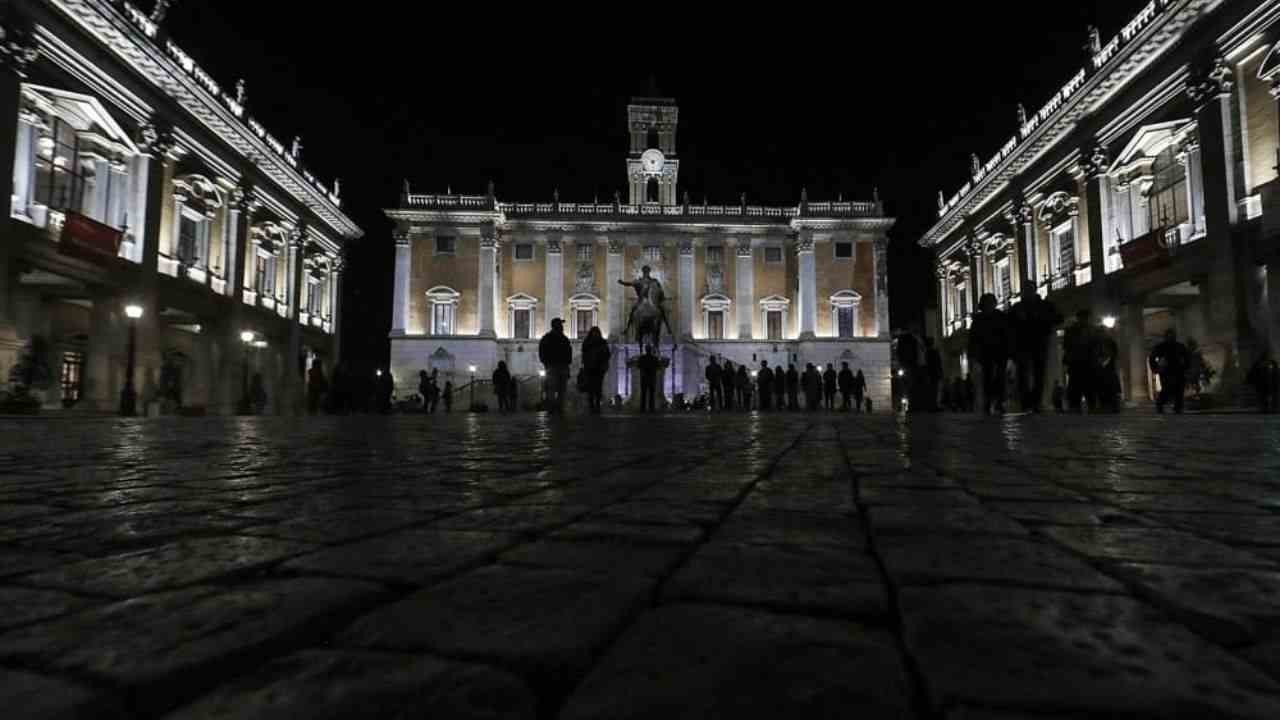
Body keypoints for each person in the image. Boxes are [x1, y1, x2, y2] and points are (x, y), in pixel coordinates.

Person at [1009, 286, 1061, 412]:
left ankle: (1037, 401)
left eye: (1029, 290)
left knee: (1039, 374)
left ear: (1034, 291)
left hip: (1040, 343)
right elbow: (1009, 327)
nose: (1026, 293)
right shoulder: (1017, 308)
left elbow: (1058, 318)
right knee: (1024, 375)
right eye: (1025, 291)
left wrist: (1042, 321)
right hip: (1023, 345)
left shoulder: (1045, 305)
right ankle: (1026, 402)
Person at [968, 293, 1011, 415]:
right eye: (986, 303)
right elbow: (973, 339)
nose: (989, 305)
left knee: (1000, 378)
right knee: (987, 378)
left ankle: (999, 402)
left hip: (999, 352)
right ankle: (989, 402)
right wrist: (973, 354)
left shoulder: (1001, 317)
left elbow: (1007, 335)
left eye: (991, 302)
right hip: (985, 353)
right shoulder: (978, 320)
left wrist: (1009, 352)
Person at [1063, 310, 1097, 413]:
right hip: (1078, 362)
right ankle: (1079, 406)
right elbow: (1067, 346)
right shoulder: (1075, 331)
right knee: (1077, 385)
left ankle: (1085, 405)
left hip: (1084, 361)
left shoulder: (1089, 330)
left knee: (1085, 385)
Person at [1149, 328, 1190, 415]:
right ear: (1166, 336)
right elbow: (1152, 357)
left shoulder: (1180, 346)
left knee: (1179, 389)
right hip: (1166, 371)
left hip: (1178, 370)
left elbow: (1187, 357)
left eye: (1172, 335)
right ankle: (1160, 405)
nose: (1171, 337)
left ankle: (1178, 408)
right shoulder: (1161, 347)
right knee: (1166, 389)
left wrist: (1186, 367)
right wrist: (1156, 368)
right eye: (1169, 335)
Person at [538, 317, 572, 414]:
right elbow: (542, 352)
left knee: (556, 388)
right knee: (557, 389)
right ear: (556, 326)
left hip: (556, 366)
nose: (562, 326)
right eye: (560, 324)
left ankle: (555, 408)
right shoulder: (561, 338)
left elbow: (542, 352)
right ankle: (556, 408)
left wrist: (545, 363)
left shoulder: (548, 338)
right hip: (555, 366)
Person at [581, 326, 611, 414]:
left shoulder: (602, 342)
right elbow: (584, 354)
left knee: (598, 387)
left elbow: (607, 354)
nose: (595, 334)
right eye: (594, 332)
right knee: (590, 388)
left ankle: (597, 405)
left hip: (599, 368)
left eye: (596, 332)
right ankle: (591, 405)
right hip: (590, 368)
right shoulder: (587, 343)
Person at [895, 329, 921, 411]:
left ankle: (905, 404)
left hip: (906, 365)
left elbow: (898, 353)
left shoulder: (902, 340)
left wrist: (899, 362)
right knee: (910, 385)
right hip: (911, 365)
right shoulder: (913, 339)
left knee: (903, 386)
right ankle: (912, 404)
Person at [636, 345, 660, 412]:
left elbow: (638, 366)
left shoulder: (642, 358)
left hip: (644, 377)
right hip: (652, 377)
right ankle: (651, 408)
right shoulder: (654, 358)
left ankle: (643, 408)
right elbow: (658, 366)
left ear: (645, 350)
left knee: (643, 393)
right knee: (652, 394)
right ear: (650, 350)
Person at [925, 337, 943, 412]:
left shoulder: (926, 352)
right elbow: (938, 363)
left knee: (932, 390)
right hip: (935, 373)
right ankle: (934, 405)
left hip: (930, 373)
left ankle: (932, 405)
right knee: (935, 390)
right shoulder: (934, 352)